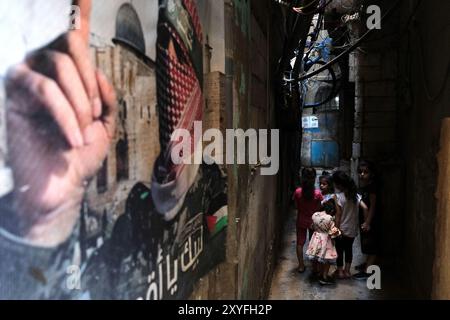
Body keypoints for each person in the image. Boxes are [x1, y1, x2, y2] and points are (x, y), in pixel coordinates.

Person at [0, 0, 228, 300]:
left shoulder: (211, 187)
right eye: (164, 50)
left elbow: (216, 243)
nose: (168, 69)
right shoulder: (134, 218)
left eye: (178, 55)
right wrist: (43, 221)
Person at [332, 171, 368, 279]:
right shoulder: (356, 196)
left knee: (339, 250)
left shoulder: (338, 197)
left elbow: (338, 215)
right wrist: (365, 223)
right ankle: (347, 271)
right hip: (352, 230)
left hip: (342, 229)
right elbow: (365, 208)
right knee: (348, 250)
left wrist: (335, 230)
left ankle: (340, 271)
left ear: (338, 184)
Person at [353, 160, 382, 280]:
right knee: (368, 243)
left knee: (373, 244)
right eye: (360, 172)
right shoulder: (365, 186)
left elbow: (373, 206)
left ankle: (368, 270)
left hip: (372, 220)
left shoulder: (372, 188)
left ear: (371, 173)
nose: (362, 175)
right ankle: (367, 264)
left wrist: (368, 222)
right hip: (366, 219)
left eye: (365, 172)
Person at [293, 167, 323, 273]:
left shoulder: (298, 192)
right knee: (313, 243)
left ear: (302, 178)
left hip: (301, 220)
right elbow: (319, 208)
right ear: (314, 178)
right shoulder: (318, 194)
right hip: (313, 222)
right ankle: (314, 266)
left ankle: (301, 266)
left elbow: (296, 206)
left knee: (300, 243)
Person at [306, 198, 341, 285]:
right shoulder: (329, 218)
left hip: (316, 238)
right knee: (327, 260)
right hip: (326, 240)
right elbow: (333, 232)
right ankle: (324, 277)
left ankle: (320, 273)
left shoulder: (315, 215)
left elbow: (312, 226)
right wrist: (339, 233)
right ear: (332, 210)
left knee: (319, 258)